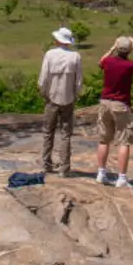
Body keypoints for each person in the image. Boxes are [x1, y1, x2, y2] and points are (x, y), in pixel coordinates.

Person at [96, 36, 133, 189]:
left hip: (104, 103)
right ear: (129, 51)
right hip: (121, 104)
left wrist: (113, 46)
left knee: (104, 139)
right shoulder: (129, 66)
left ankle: (101, 173)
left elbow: (101, 61)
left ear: (118, 49)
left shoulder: (108, 62)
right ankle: (122, 178)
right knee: (123, 141)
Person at [38, 27, 84, 175]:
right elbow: (78, 81)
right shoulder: (76, 57)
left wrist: (44, 93)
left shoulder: (50, 55)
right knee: (65, 134)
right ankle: (64, 168)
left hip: (51, 97)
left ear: (58, 40)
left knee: (47, 132)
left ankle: (46, 164)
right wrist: (75, 95)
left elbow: (43, 78)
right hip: (68, 98)